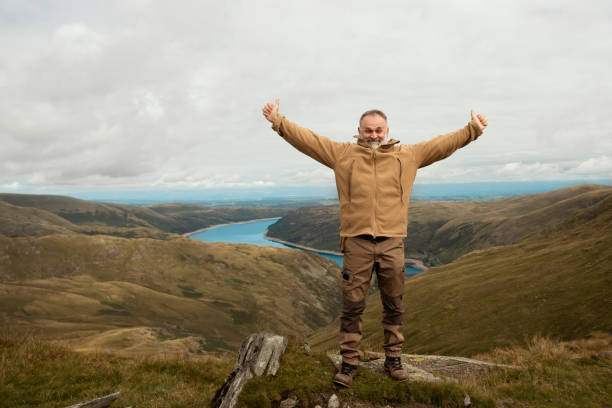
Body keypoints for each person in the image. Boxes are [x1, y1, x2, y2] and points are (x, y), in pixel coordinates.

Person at [262, 99, 488, 387]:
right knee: (352, 306)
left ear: (387, 130)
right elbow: (309, 140)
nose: (374, 135)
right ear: (359, 130)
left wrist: (473, 129)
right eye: (368, 131)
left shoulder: (408, 155)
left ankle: (394, 359)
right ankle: (348, 363)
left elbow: (443, 145)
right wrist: (278, 121)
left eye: (378, 130)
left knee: (393, 304)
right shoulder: (342, 154)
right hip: (356, 242)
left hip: (392, 241)